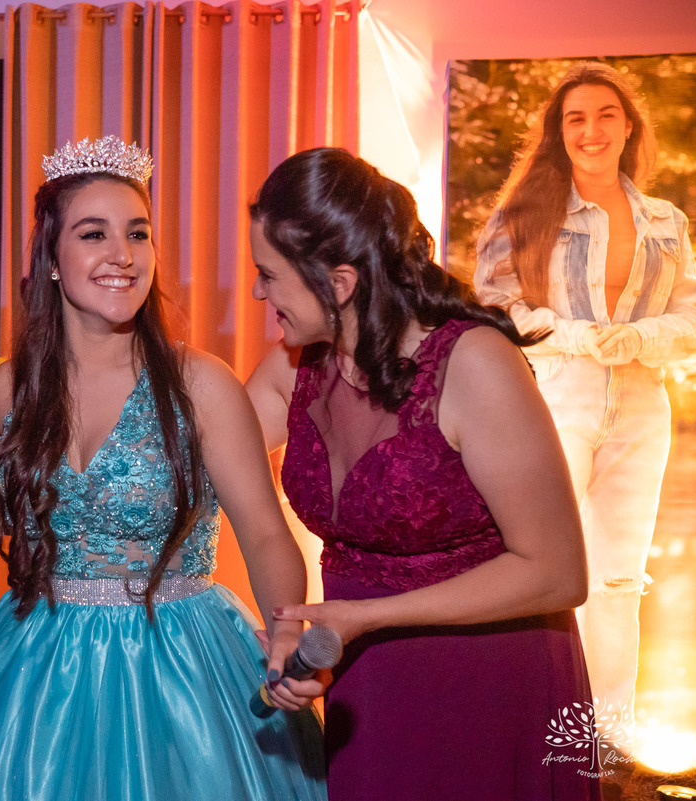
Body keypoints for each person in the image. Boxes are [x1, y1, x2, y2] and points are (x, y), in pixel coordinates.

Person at [0, 137, 327, 801]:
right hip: (35, 672)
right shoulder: (13, 390)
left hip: (181, 665)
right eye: (93, 233)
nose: (121, 255)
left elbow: (266, 532)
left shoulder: (199, 385)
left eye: (138, 233)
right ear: (53, 258)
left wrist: (288, 632)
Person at [244, 147, 601, 800]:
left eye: (269, 274)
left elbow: (559, 570)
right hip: (367, 686)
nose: (258, 292)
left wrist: (368, 616)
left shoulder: (474, 364)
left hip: (489, 684)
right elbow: (188, 453)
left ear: (340, 282)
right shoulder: (294, 369)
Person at [475, 62, 696, 722]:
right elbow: (494, 304)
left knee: (618, 582)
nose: (592, 129)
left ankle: (602, 744)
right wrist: (570, 334)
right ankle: (525, 721)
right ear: (559, 131)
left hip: (641, 408)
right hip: (554, 399)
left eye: (606, 114)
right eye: (576, 118)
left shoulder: (666, 220)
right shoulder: (525, 214)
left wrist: (639, 339)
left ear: (628, 126)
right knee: (540, 566)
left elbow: (691, 319)